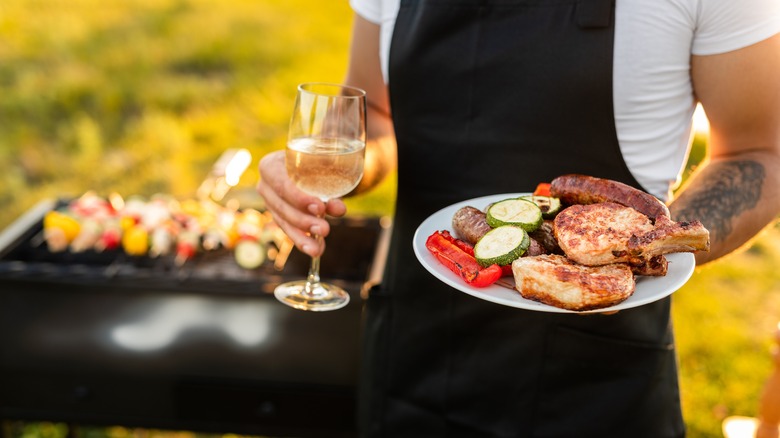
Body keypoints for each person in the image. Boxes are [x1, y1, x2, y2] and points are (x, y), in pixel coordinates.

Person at [257, 0, 780, 436]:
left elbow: (761, 151)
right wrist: (332, 162)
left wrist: (650, 247)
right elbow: (377, 115)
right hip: (415, 346)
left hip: (597, 380)